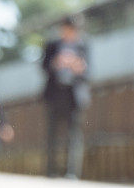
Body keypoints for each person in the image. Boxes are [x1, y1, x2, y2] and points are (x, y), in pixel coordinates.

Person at [42, 15, 90, 178]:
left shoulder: (83, 46)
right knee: (52, 133)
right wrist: (56, 63)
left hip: (74, 95)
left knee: (74, 135)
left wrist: (78, 67)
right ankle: (51, 171)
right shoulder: (52, 45)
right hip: (55, 93)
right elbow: (43, 67)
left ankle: (71, 172)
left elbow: (89, 72)